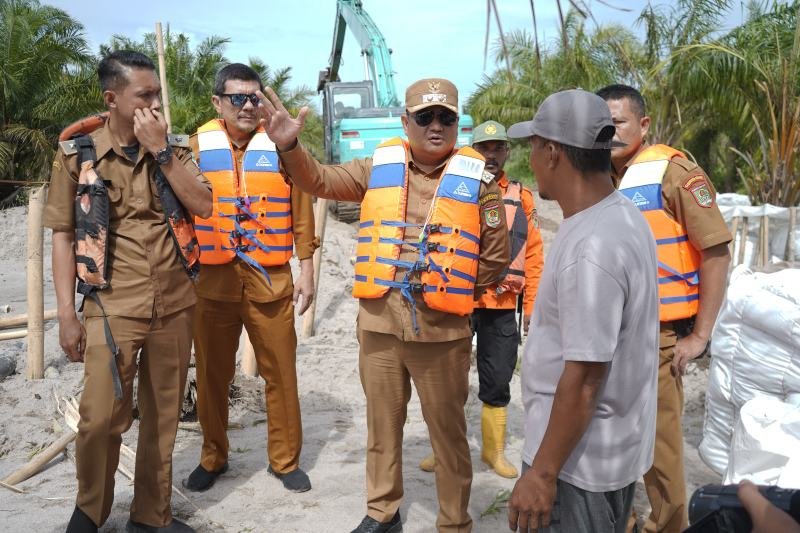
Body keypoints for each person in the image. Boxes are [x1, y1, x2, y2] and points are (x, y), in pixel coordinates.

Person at [256, 78, 510, 532]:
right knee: (382, 427)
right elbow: (318, 179)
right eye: (426, 116)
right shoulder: (376, 168)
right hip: (379, 329)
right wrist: (290, 145)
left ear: (458, 124)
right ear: (406, 122)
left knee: (449, 436)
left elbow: (494, 259)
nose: (436, 125)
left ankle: (454, 521)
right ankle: (382, 511)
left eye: (446, 117)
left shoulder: (481, 183)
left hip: (442, 334)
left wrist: (449, 288)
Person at [46, 50, 212, 533]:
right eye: (145, 95)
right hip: (111, 305)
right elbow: (62, 236)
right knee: (100, 418)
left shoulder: (174, 150)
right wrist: (66, 314)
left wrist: (162, 152)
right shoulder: (77, 156)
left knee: (163, 417)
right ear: (112, 99)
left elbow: (204, 205)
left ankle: (151, 517)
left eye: (157, 94)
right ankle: (89, 511)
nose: (155, 104)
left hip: (175, 303)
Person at [505, 89, 659, 533]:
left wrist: (542, 474)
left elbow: (587, 374)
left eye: (534, 147)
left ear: (553, 152)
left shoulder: (592, 247)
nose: (531, 160)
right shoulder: (623, 215)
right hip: (608, 452)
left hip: (575, 468)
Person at [597, 84, 732, 533]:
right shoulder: (594, 176)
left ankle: (669, 525)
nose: (610, 133)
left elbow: (716, 252)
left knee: (660, 448)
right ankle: (624, 520)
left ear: (643, 124)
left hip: (657, 336)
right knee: (607, 436)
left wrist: (700, 336)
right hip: (604, 333)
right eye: (602, 125)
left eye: (618, 122)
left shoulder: (674, 174)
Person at [182, 63, 317, 494]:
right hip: (211, 283)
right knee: (211, 376)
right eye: (236, 97)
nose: (246, 105)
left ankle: (285, 461)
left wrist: (307, 267)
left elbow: (302, 207)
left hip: (270, 281)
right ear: (217, 102)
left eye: (253, 97)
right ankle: (213, 456)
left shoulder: (282, 144)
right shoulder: (193, 149)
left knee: (281, 375)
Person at [418, 120, 544, 479]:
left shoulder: (522, 197)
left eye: (498, 147)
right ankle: (443, 450)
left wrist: (532, 305)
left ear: (507, 151)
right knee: (446, 380)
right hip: (456, 301)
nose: (491, 154)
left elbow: (533, 255)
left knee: (498, 379)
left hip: (501, 305)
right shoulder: (451, 189)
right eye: (483, 148)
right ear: (471, 151)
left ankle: (493, 452)